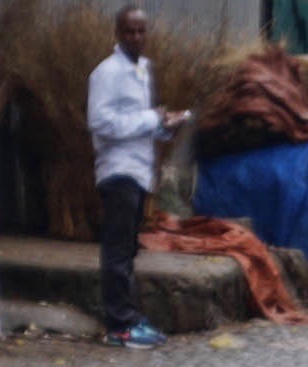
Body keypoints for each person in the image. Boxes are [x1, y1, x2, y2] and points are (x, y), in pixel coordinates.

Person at [86, 6, 186, 349]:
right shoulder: (106, 73)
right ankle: (119, 324)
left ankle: (128, 316)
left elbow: (140, 124)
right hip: (118, 170)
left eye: (142, 31)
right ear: (117, 33)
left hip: (140, 170)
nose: (136, 38)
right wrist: (149, 119)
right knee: (117, 250)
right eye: (130, 31)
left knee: (128, 249)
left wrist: (165, 126)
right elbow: (101, 122)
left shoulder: (143, 71)